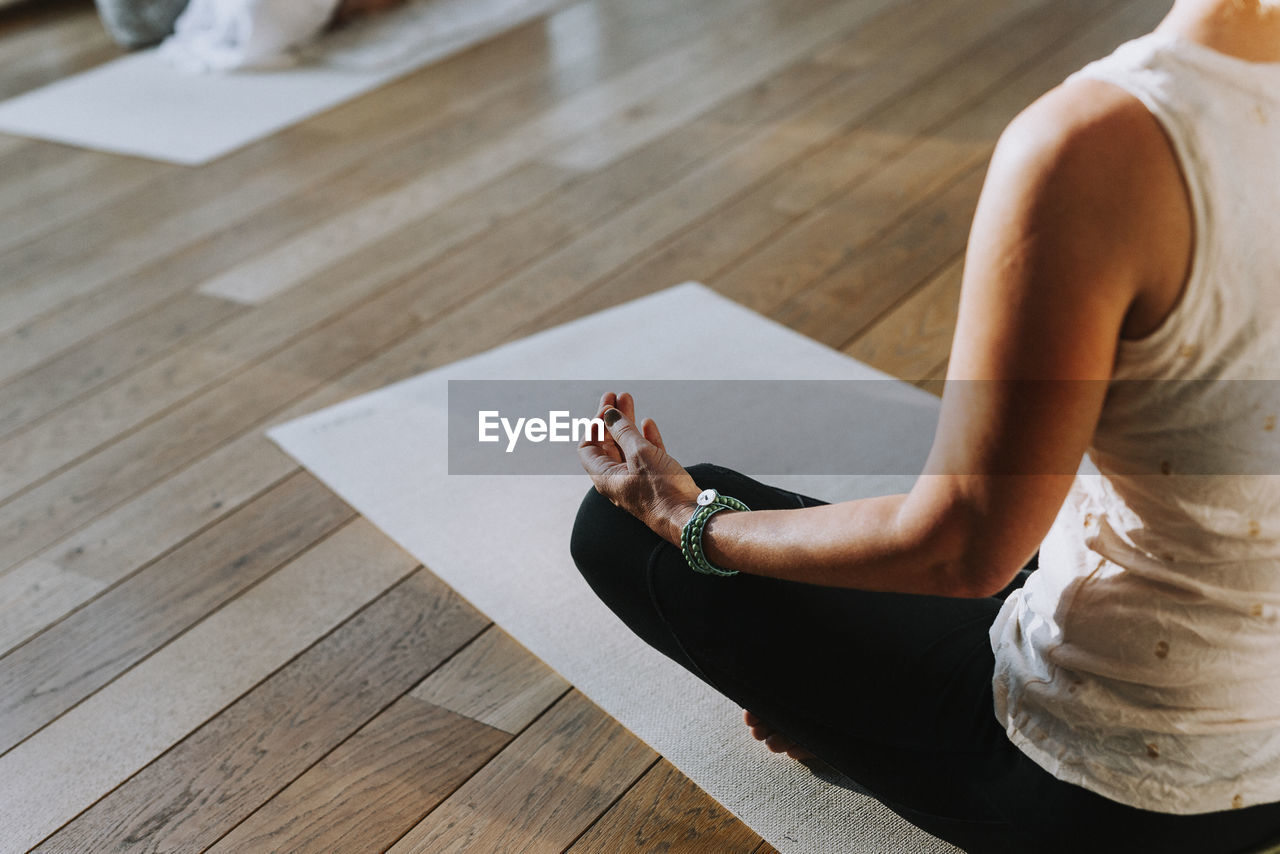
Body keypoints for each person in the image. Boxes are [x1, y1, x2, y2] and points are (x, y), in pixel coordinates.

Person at [570, 0, 1280, 851]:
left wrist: (683, 519)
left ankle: (853, 736)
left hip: (1135, 794)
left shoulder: (1102, 143)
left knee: (631, 530)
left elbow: (958, 549)